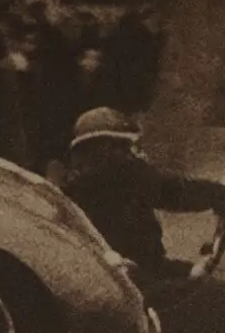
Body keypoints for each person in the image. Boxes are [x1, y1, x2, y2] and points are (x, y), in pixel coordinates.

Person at [50, 107, 224, 294]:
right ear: (108, 148)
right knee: (213, 294)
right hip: (137, 283)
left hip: (117, 280)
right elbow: (174, 192)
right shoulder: (127, 175)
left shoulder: (71, 191)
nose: (131, 154)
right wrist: (218, 193)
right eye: (125, 146)